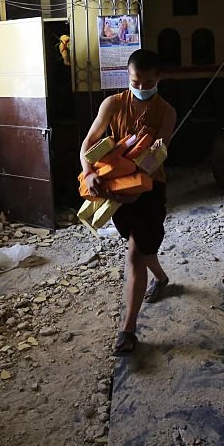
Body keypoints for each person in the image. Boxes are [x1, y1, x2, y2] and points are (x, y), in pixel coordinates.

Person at [79, 49, 177, 355]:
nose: (143, 86)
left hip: (148, 188)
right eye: (136, 81)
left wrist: (130, 190)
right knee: (140, 245)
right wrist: (89, 172)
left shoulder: (167, 112)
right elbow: (88, 144)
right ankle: (160, 278)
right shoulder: (113, 104)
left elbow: (154, 159)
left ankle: (128, 329)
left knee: (135, 254)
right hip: (115, 188)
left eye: (149, 81)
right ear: (128, 76)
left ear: (158, 78)